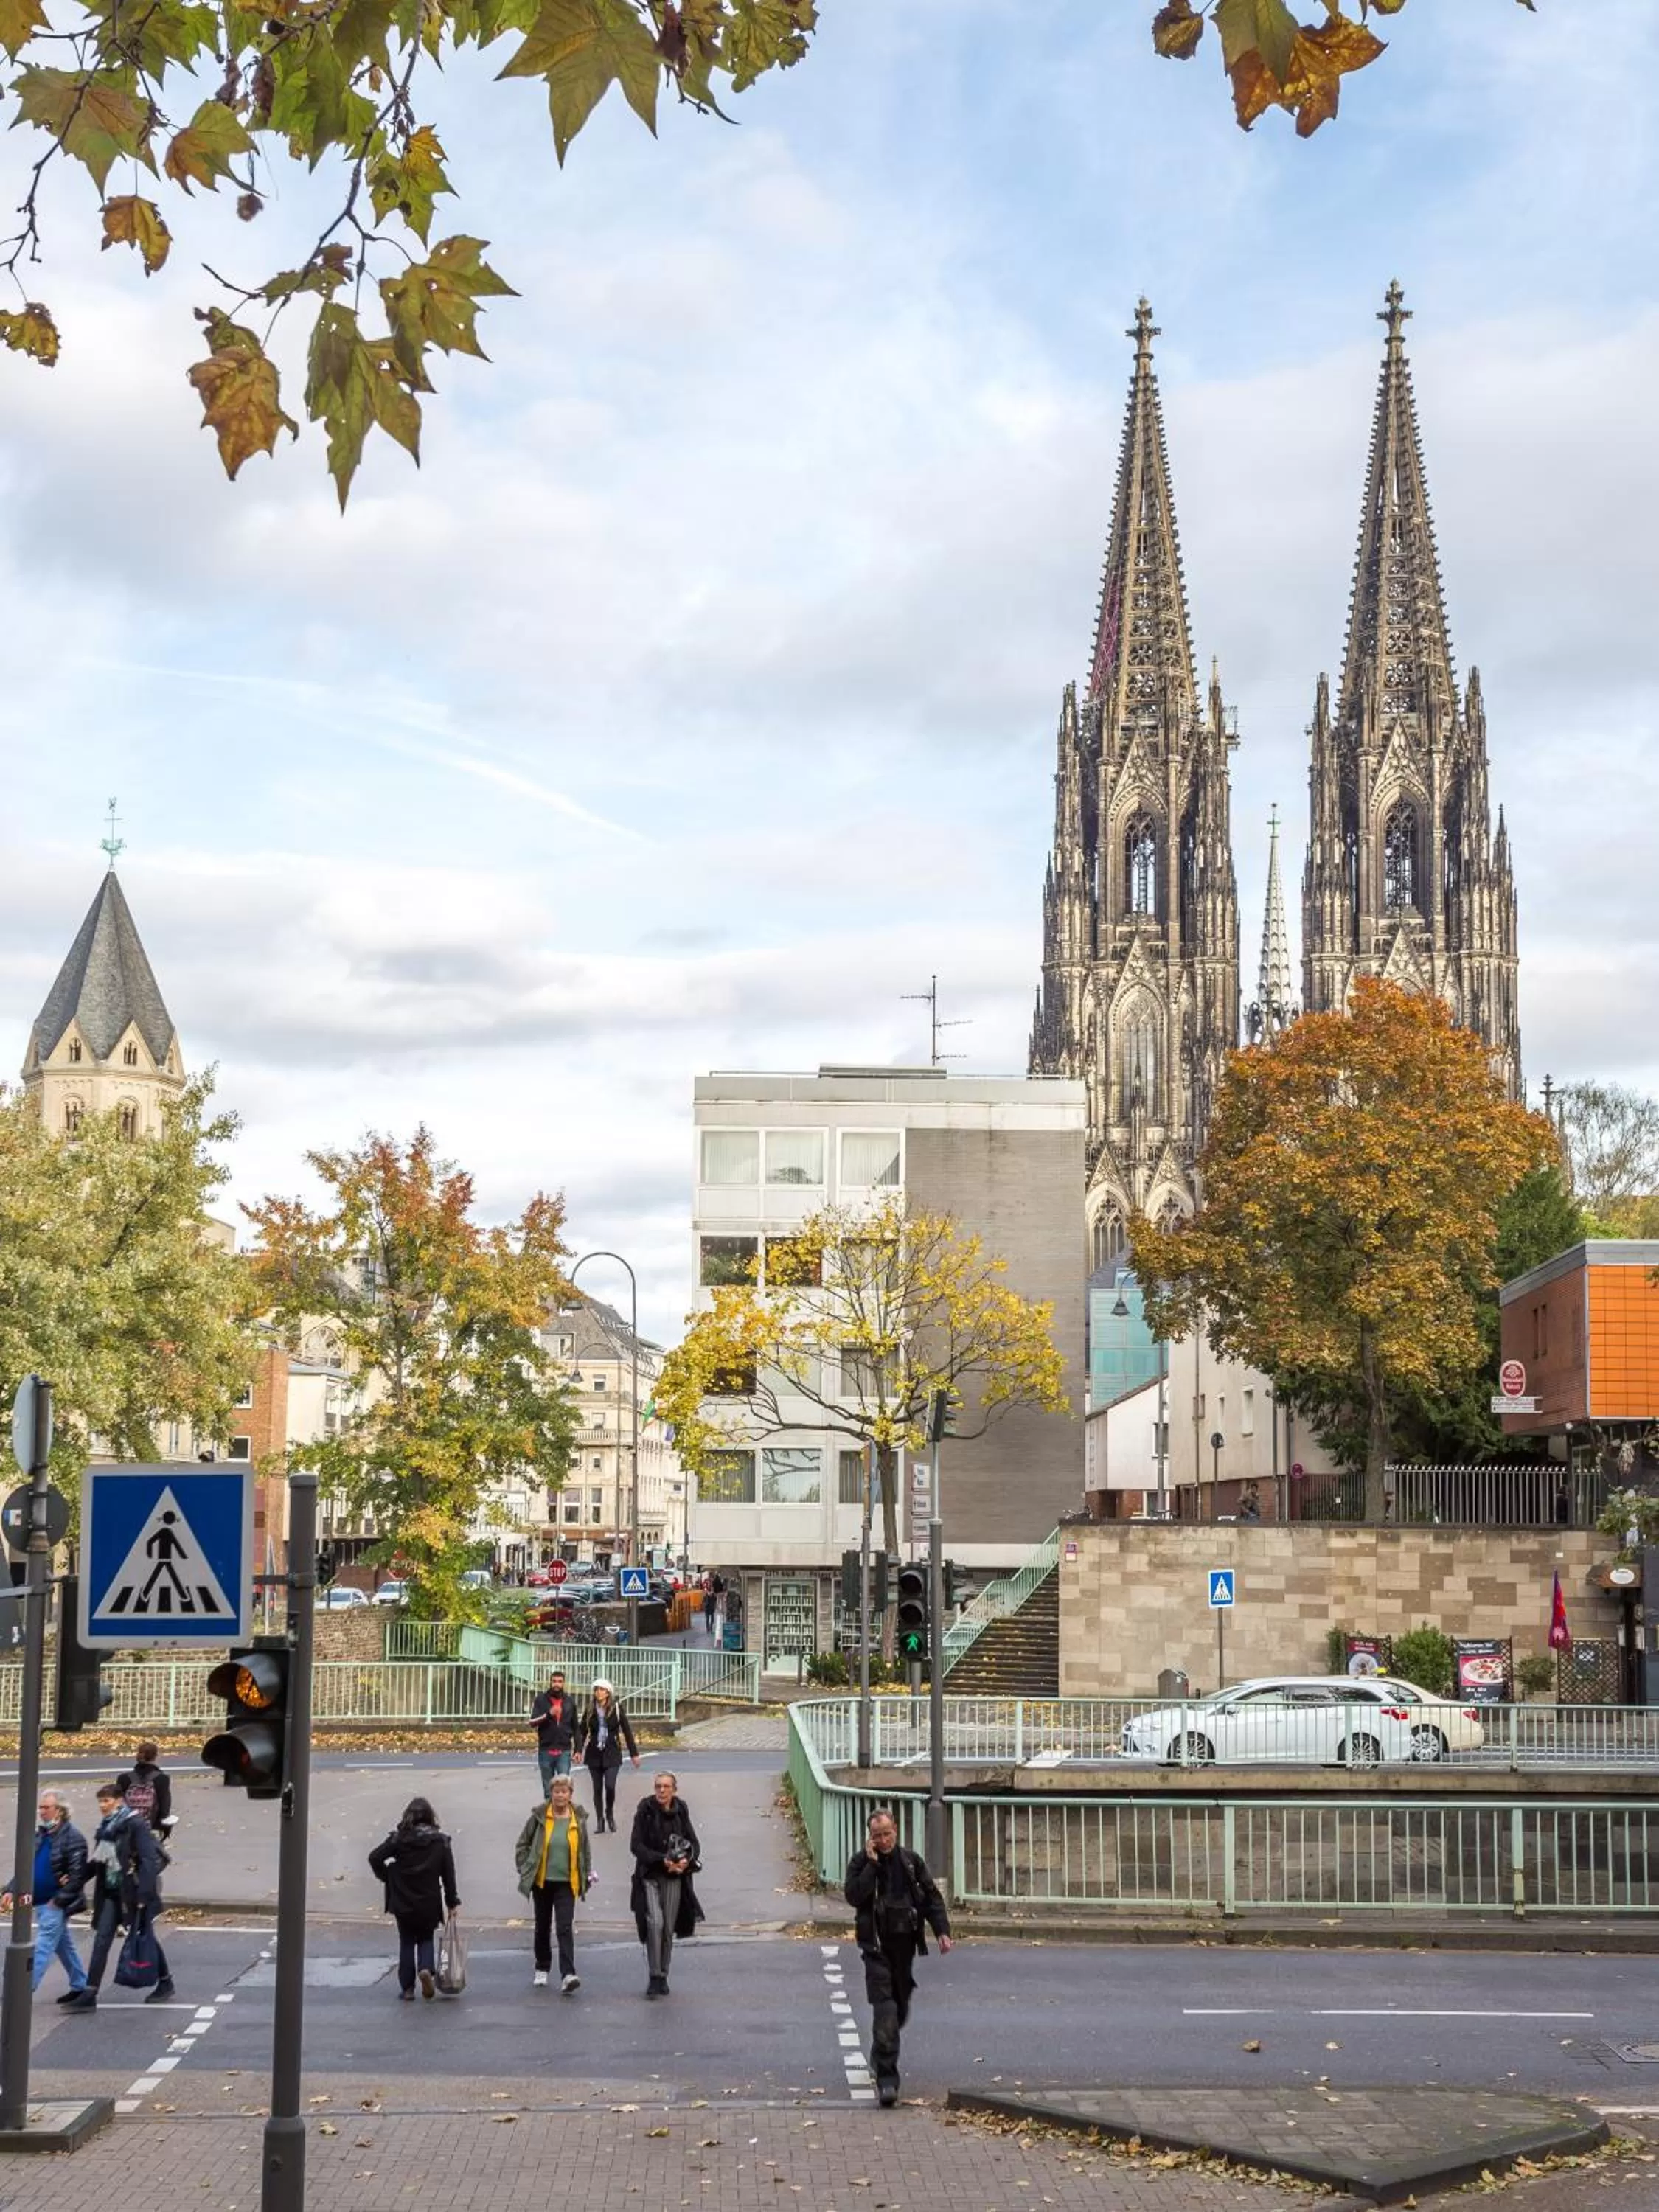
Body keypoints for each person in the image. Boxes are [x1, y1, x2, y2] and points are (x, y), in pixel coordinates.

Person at [844, 1809, 952, 2107]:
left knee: (900, 2010)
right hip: (875, 1950)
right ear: (870, 1838)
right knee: (886, 2011)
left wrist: (942, 1931)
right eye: (877, 1836)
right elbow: (854, 1895)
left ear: (895, 1832)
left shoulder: (911, 1862)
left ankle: (880, 2052)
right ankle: (888, 2079)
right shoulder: (861, 1862)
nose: (883, 1840)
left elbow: (931, 1898)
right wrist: (872, 1866)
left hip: (904, 1949)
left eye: (887, 1834)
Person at [63, 1778, 172, 2010]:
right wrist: (74, 1882)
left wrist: (145, 1895)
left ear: (119, 1801)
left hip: (132, 1894)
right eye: (101, 1801)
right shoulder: (107, 1827)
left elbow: (148, 1861)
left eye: (107, 1801)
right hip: (111, 1894)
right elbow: (98, 1862)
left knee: (144, 1937)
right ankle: (90, 1994)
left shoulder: (135, 1825)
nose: (103, 1805)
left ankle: (165, 1982)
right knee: (102, 1941)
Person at [368, 1796, 460, 2002]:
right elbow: (449, 1875)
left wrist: (389, 1877)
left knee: (407, 1941)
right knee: (426, 1937)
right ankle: (426, 1969)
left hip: (403, 1898)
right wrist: (452, 1902)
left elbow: (374, 1857)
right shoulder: (441, 1842)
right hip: (429, 1899)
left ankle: (408, 1989)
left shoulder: (399, 1839)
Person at [1, 1790, 88, 1999]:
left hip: (55, 1902)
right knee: (63, 1945)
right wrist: (11, 1890)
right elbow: (26, 1866)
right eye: (40, 1807)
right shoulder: (40, 1835)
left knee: (43, 1945)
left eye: (46, 1807)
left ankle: (21, 1990)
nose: (41, 1812)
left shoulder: (74, 1838)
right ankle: (80, 1985)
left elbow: (77, 1877)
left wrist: (58, 1901)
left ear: (59, 1810)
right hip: (40, 1901)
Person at [514, 1771, 591, 1994]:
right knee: (542, 1926)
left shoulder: (578, 1818)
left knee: (565, 1927)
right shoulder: (539, 1817)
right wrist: (525, 1868)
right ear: (551, 1793)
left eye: (564, 1792)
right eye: (556, 1791)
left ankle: (568, 1974)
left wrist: (586, 1874)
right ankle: (542, 1967)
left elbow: (585, 1851)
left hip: (567, 1882)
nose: (560, 1796)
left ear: (570, 1794)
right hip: (543, 1881)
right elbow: (522, 1844)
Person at [629, 1769, 702, 1997]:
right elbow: (636, 1846)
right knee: (655, 1923)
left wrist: (684, 1862)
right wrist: (662, 1860)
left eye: (666, 1786)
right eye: (658, 1786)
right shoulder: (645, 1810)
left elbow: (694, 1844)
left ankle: (663, 1975)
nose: (661, 1790)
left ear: (674, 1790)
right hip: (650, 1875)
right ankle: (653, 1974)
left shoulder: (681, 1811)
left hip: (674, 1878)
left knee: (668, 1927)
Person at [577, 1677, 639, 1832]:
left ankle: (609, 1814)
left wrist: (634, 1754)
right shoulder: (590, 1709)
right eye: (597, 1689)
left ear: (608, 1693)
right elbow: (582, 1731)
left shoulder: (617, 1708)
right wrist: (578, 1750)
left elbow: (627, 1731)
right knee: (597, 1789)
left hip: (612, 1753)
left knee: (610, 1786)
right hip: (594, 1754)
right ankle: (600, 1820)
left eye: (602, 1689)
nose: (599, 1692)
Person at [528, 1668, 580, 1791]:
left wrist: (579, 1749)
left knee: (564, 1787)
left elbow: (576, 1727)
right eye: (554, 1681)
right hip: (546, 1750)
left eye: (560, 1681)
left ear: (564, 1683)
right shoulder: (541, 1700)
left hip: (564, 1750)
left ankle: (563, 1810)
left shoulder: (569, 1701)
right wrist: (548, 1714)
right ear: (550, 1683)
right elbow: (532, 1722)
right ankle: (550, 1810)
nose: (557, 1684)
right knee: (548, 1788)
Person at [119, 1741, 173, 1838]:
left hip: (128, 1829)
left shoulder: (123, 1778)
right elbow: (165, 1809)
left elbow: (118, 1806)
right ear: (155, 1756)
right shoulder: (162, 1779)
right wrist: (166, 1830)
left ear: (137, 1756)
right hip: (151, 1830)